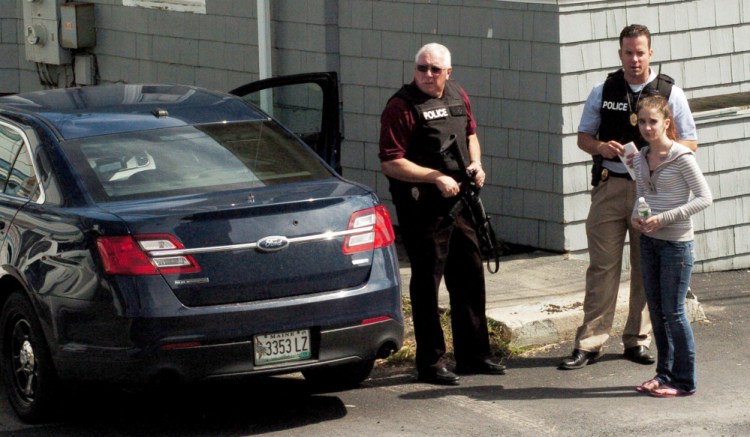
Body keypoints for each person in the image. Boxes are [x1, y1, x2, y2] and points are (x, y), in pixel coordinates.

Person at [559, 24, 698, 370]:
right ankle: (590, 343)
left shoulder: (670, 93)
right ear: (619, 53)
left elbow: (691, 144)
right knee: (602, 267)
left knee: (644, 266)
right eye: (628, 52)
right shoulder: (603, 89)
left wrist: (657, 147)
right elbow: (583, 138)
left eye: (640, 52)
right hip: (610, 185)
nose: (634, 59)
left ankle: (637, 339)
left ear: (650, 52)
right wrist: (601, 146)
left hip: (652, 190)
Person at [378, 42, 505, 385]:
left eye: (435, 69)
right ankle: (431, 362)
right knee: (427, 284)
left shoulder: (457, 96)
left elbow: (470, 134)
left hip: (461, 201)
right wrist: (433, 176)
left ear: (449, 72)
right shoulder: (401, 107)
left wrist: (477, 164)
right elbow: (391, 162)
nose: (428, 75)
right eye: (422, 68)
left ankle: (474, 355)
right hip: (424, 208)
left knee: (469, 275)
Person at [631, 95, 711, 397]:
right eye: (642, 121)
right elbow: (641, 194)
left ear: (667, 123)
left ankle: (685, 381)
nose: (648, 127)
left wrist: (665, 218)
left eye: (653, 121)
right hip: (649, 242)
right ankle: (663, 375)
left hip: (676, 246)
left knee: (674, 312)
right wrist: (637, 218)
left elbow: (704, 197)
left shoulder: (681, 157)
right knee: (656, 310)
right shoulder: (641, 157)